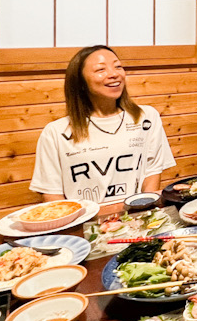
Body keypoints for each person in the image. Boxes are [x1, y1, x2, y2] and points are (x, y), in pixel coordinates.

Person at [29, 45, 176, 206]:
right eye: (101, 70)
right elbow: (52, 195)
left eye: (118, 66)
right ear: (81, 82)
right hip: (83, 223)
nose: (114, 74)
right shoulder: (55, 132)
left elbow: (152, 173)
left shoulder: (146, 117)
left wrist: (144, 212)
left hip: (136, 219)